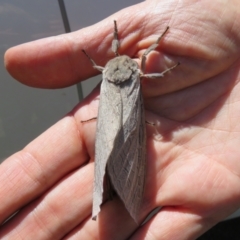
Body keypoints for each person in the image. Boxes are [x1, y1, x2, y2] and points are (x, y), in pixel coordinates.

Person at [1, 0, 240, 239]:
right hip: (127, 121)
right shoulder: (137, 70)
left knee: (115, 139)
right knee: (121, 142)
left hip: (119, 116)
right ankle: (114, 188)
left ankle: (112, 189)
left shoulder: (107, 70)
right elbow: (147, 58)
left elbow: (98, 63)